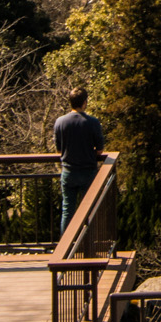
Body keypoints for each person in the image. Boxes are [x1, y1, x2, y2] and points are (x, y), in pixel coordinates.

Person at [53, 86, 105, 232]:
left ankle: (66, 247)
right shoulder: (92, 122)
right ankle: (89, 245)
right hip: (88, 171)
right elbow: (100, 149)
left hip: (68, 171)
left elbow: (58, 149)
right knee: (89, 210)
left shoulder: (60, 122)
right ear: (84, 103)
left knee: (67, 210)